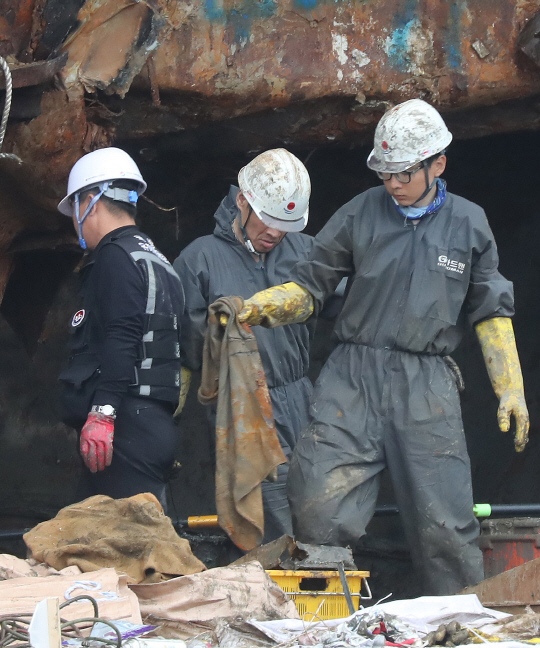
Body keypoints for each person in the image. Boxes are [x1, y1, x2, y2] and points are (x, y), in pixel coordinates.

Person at [233, 99, 529, 593]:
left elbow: (491, 310)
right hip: (352, 379)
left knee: (446, 526)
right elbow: (310, 286)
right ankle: (323, 625)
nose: (392, 183)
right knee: (317, 505)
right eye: (385, 173)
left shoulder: (469, 224)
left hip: (427, 386)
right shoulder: (361, 212)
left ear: (438, 164)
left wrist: (511, 388)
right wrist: (261, 306)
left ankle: (455, 623)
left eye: (403, 173)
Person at [173, 148, 315, 542]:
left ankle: (322, 600)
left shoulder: (307, 252)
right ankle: (274, 600)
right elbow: (187, 349)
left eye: (286, 224)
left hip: (301, 399)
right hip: (240, 407)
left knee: (316, 510)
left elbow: (350, 306)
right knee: (265, 519)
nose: (275, 232)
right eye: (268, 219)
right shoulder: (198, 260)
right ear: (242, 200)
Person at [57, 147, 184, 511]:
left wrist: (103, 413)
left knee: (115, 554)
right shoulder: (157, 259)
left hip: (125, 429)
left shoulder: (115, 256)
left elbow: (123, 334)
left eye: (75, 208)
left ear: (90, 203)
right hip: (151, 425)